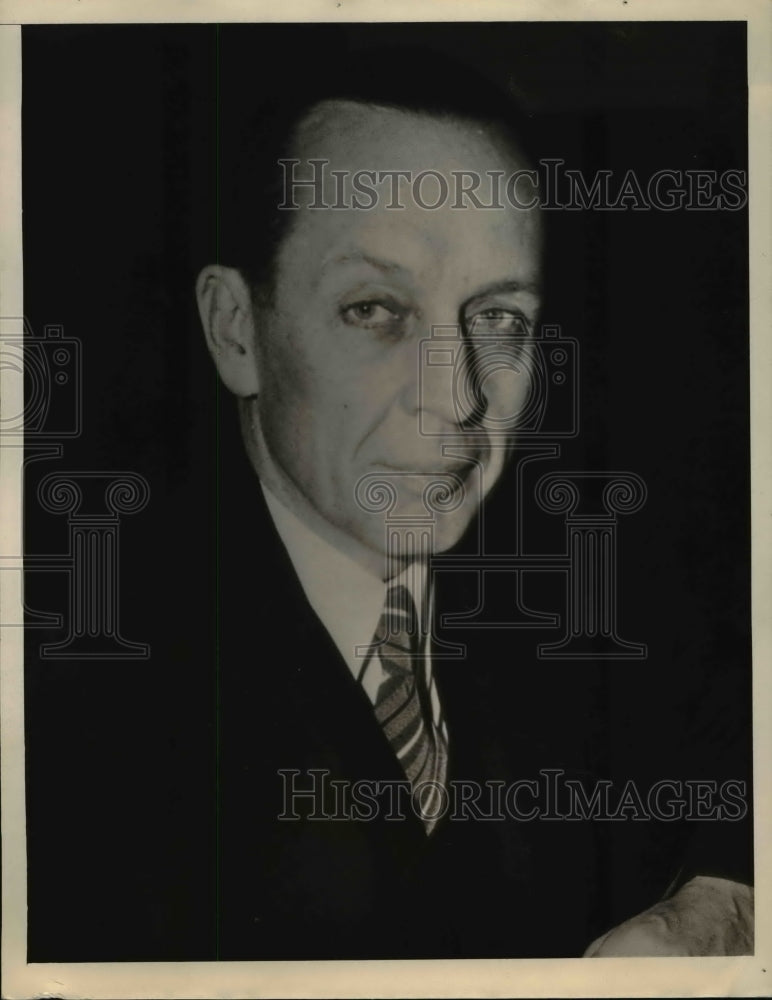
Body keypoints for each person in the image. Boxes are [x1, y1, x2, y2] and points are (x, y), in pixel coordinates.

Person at [191, 48, 753, 958]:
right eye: (376, 308)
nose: (455, 398)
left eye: (499, 319)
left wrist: (723, 904)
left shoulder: (595, 586)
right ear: (236, 330)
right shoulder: (80, 694)